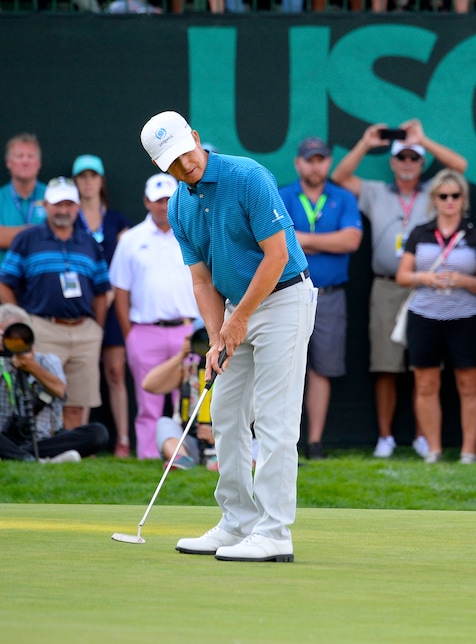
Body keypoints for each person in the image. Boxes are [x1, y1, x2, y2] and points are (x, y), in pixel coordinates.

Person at [141, 110, 315, 563]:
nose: (183, 166)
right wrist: (218, 333)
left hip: (284, 299)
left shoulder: (247, 176)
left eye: (185, 153)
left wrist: (235, 323)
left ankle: (275, 532)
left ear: (196, 139)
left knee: (274, 420)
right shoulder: (178, 205)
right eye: (171, 163)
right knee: (225, 414)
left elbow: (276, 256)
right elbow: (201, 280)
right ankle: (236, 522)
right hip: (236, 308)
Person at [331, 119, 467, 459]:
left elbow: (459, 168)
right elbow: (340, 178)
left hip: (429, 286)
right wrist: (365, 142)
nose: (407, 164)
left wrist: (424, 139)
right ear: (392, 162)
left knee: (424, 365)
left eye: (414, 158)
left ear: (422, 163)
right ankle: (386, 436)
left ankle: (424, 435)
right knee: (386, 365)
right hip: (387, 286)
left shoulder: (435, 191)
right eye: (402, 157)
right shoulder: (377, 191)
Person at [0, 176, 110, 431]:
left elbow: (102, 290)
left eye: (69, 204)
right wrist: (21, 322)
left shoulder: (89, 243)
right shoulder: (28, 239)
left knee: (78, 403)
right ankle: (42, 450)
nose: (63, 210)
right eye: (58, 205)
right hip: (42, 326)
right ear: (45, 206)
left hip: (83, 330)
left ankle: (73, 453)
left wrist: (96, 329)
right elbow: (3, 282)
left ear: (77, 207)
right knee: (42, 397)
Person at [395, 169, 476, 463]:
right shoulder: (419, 232)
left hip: (465, 316)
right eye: (443, 196)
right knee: (425, 384)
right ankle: (433, 450)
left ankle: (468, 451)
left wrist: (463, 280)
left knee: (469, 384)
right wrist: (426, 277)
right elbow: (402, 275)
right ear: (434, 199)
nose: (449, 201)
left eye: (455, 195)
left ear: (463, 200)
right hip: (424, 314)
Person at [279, 137, 363, 460]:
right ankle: (287, 441)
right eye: (309, 160)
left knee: (321, 369)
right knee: (285, 368)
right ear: (298, 163)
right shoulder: (282, 195)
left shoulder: (343, 197)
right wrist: (325, 241)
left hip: (329, 294)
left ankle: (314, 442)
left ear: (329, 163)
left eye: (321, 159)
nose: (316, 165)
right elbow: (276, 241)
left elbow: (351, 240)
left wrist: (302, 239)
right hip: (287, 293)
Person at [109, 173, 198, 459]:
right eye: (158, 200)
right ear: (147, 202)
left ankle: (184, 454)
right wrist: (130, 334)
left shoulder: (194, 235)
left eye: (169, 200)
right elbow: (120, 291)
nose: (163, 206)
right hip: (145, 330)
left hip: (188, 329)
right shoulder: (131, 239)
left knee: (188, 397)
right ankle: (149, 454)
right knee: (148, 401)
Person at [0, 304, 108, 463]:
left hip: (43, 439)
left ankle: (13, 455)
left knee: (98, 433)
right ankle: (34, 459)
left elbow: (60, 390)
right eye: (7, 335)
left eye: (19, 334)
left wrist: (31, 366)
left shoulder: (46, 360)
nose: (14, 340)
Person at [71, 154, 132, 456]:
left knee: (116, 372)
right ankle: (80, 442)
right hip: (80, 305)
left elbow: (125, 263)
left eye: (93, 176)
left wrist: (110, 294)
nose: (87, 182)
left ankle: (122, 440)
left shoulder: (118, 220)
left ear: (101, 181)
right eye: (82, 177)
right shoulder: (68, 218)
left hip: (112, 306)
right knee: (82, 373)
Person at [0, 133, 46, 307]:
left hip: (44, 276)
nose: (25, 161)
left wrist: (10, 235)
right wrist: (37, 232)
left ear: (38, 163)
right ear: (8, 163)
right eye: (19, 156)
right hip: (4, 277)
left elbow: (62, 235)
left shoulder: (52, 196)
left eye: (30, 156)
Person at [142, 326, 218, 471]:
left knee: (254, 441)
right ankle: (182, 458)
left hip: (225, 440)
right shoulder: (187, 370)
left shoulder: (233, 369)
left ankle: (223, 461)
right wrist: (181, 356)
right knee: (164, 423)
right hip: (189, 439)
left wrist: (216, 435)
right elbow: (148, 385)